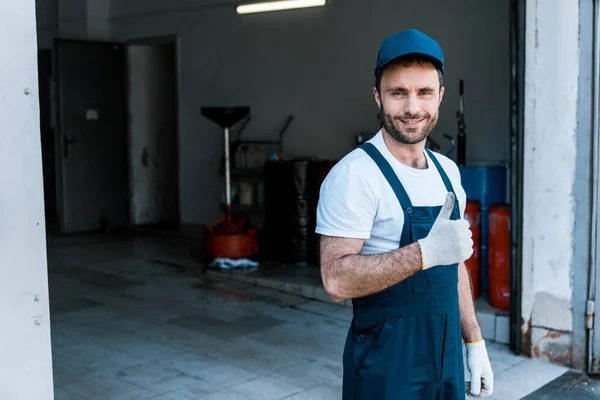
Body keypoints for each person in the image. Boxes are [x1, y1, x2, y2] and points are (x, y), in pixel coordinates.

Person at [316, 29, 494, 399]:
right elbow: (336, 281)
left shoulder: (448, 171)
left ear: (440, 96)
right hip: (387, 364)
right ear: (378, 96)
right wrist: (424, 253)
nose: (412, 108)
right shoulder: (354, 175)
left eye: (424, 92)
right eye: (399, 93)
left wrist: (474, 340)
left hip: (446, 359)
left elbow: (454, 262)